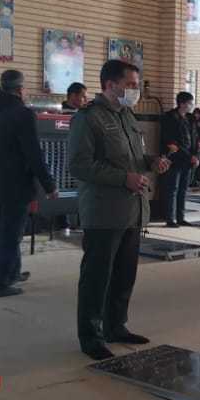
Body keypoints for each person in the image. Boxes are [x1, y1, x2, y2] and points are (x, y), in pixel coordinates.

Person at [69, 60, 171, 360]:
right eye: (130, 85)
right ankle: (91, 336)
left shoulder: (127, 115)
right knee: (97, 277)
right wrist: (123, 179)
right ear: (110, 85)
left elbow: (132, 157)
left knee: (125, 275)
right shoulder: (88, 118)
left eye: (136, 84)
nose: (135, 90)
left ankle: (116, 326)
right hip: (103, 212)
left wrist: (151, 162)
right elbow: (79, 165)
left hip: (132, 210)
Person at [0, 70, 58, 297]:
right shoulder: (23, 114)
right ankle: (1, 283)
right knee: (10, 234)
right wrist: (49, 185)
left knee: (11, 229)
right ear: (20, 90)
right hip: (17, 185)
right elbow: (33, 154)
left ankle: (13, 272)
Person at [160, 92, 199, 227]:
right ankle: (170, 219)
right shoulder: (170, 117)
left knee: (183, 189)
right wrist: (189, 156)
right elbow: (171, 141)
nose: (191, 105)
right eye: (190, 103)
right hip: (175, 159)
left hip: (188, 160)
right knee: (172, 189)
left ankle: (181, 217)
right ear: (182, 104)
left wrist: (196, 155)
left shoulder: (190, 118)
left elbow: (195, 138)